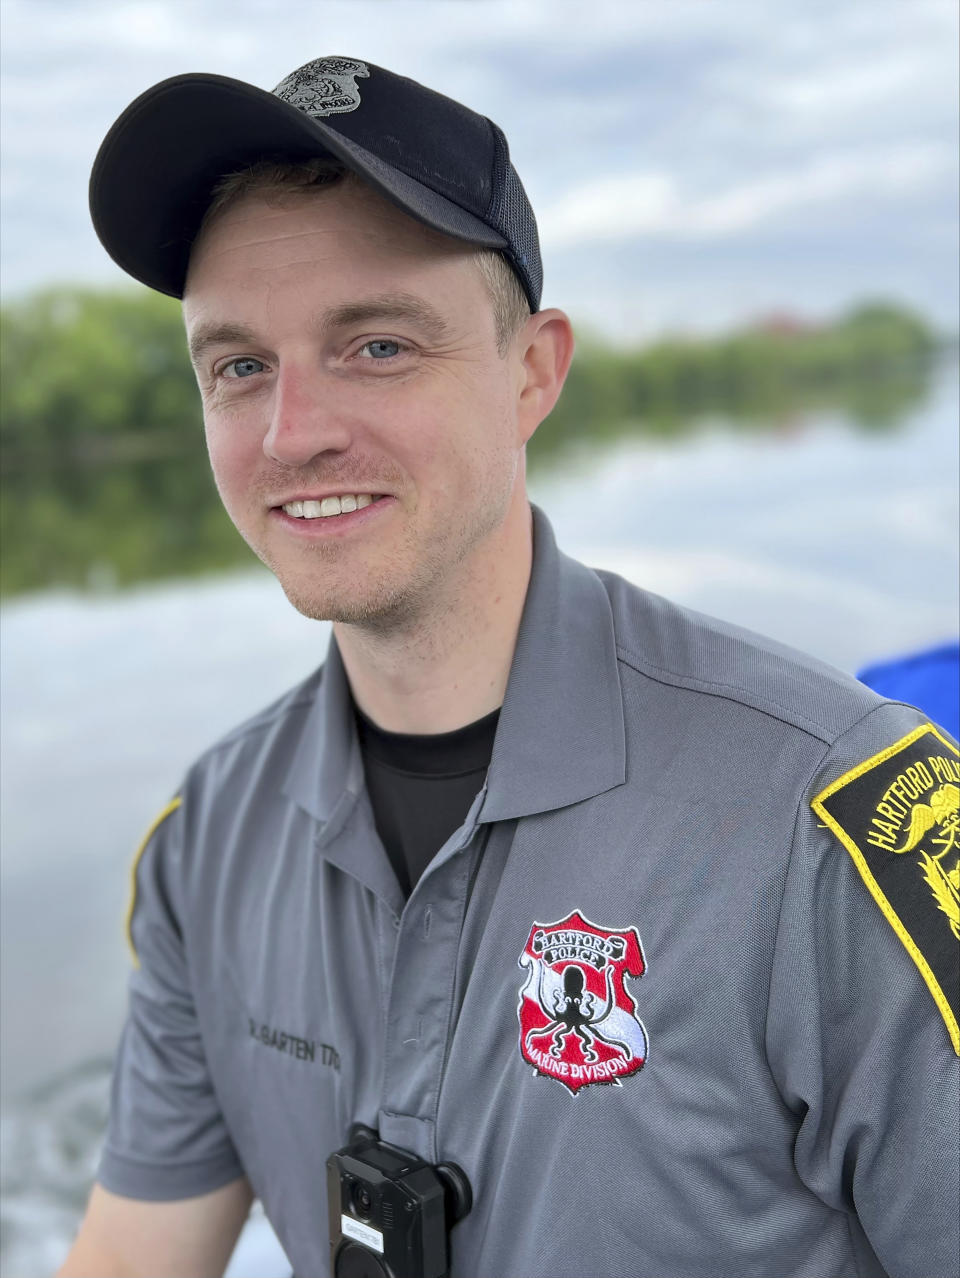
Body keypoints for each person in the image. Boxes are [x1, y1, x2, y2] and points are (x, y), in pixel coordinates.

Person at [60, 56, 958, 1278]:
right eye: (238, 366)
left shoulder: (831, 825)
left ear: (533, 372)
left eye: (376, 345)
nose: (292, 431)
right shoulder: (205, 841)